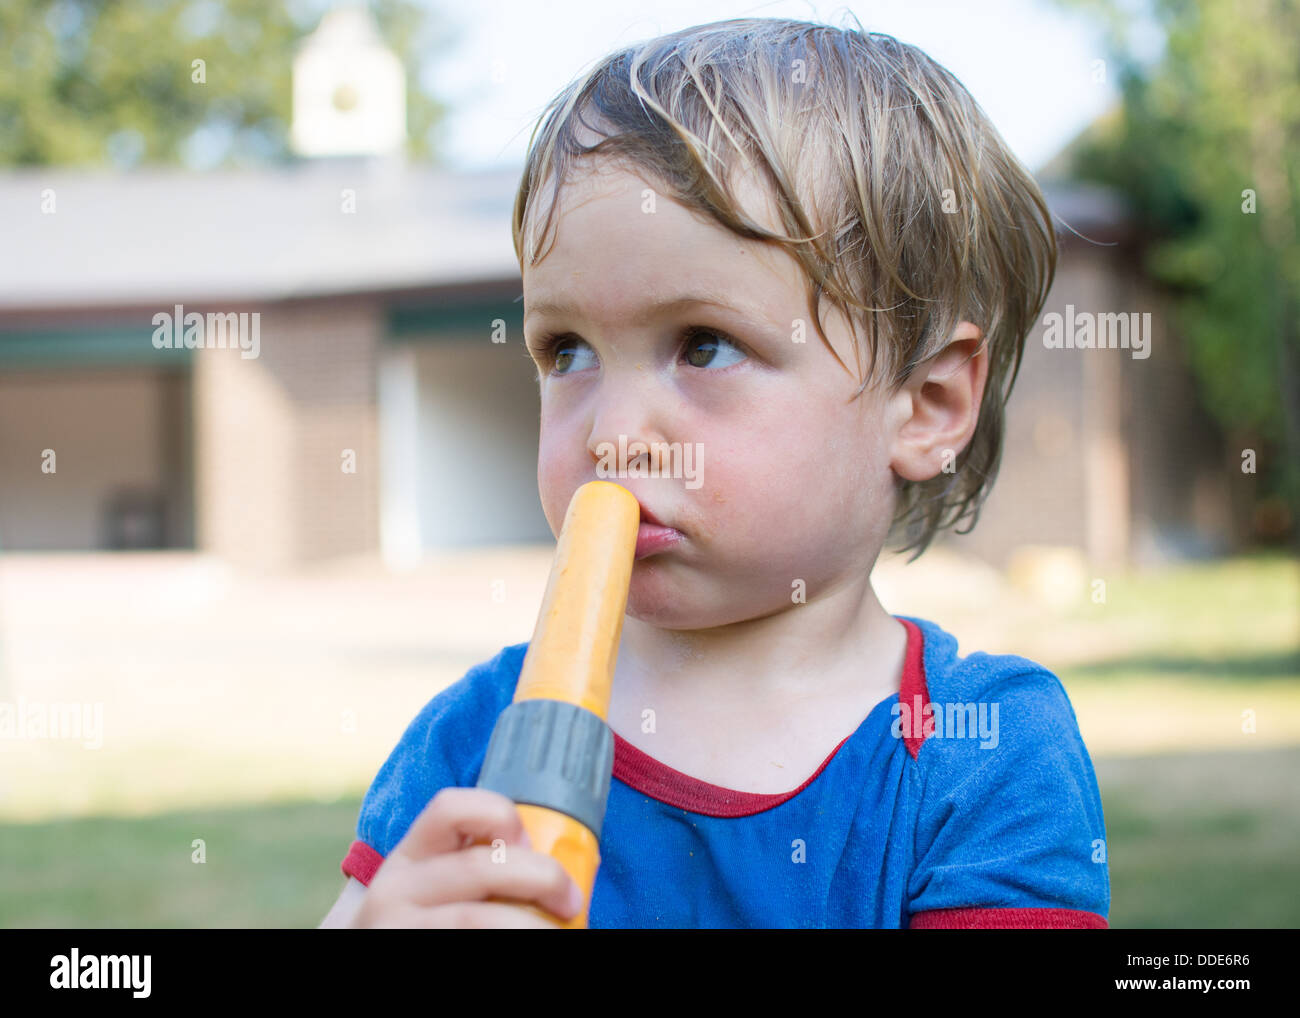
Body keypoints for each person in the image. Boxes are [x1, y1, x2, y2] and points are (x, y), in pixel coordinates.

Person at [319, 17, 1109, 929]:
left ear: (927, 404)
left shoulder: (980, 755)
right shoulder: (470, 739)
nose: (614, 436)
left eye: (705, 345)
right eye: (566, 349)